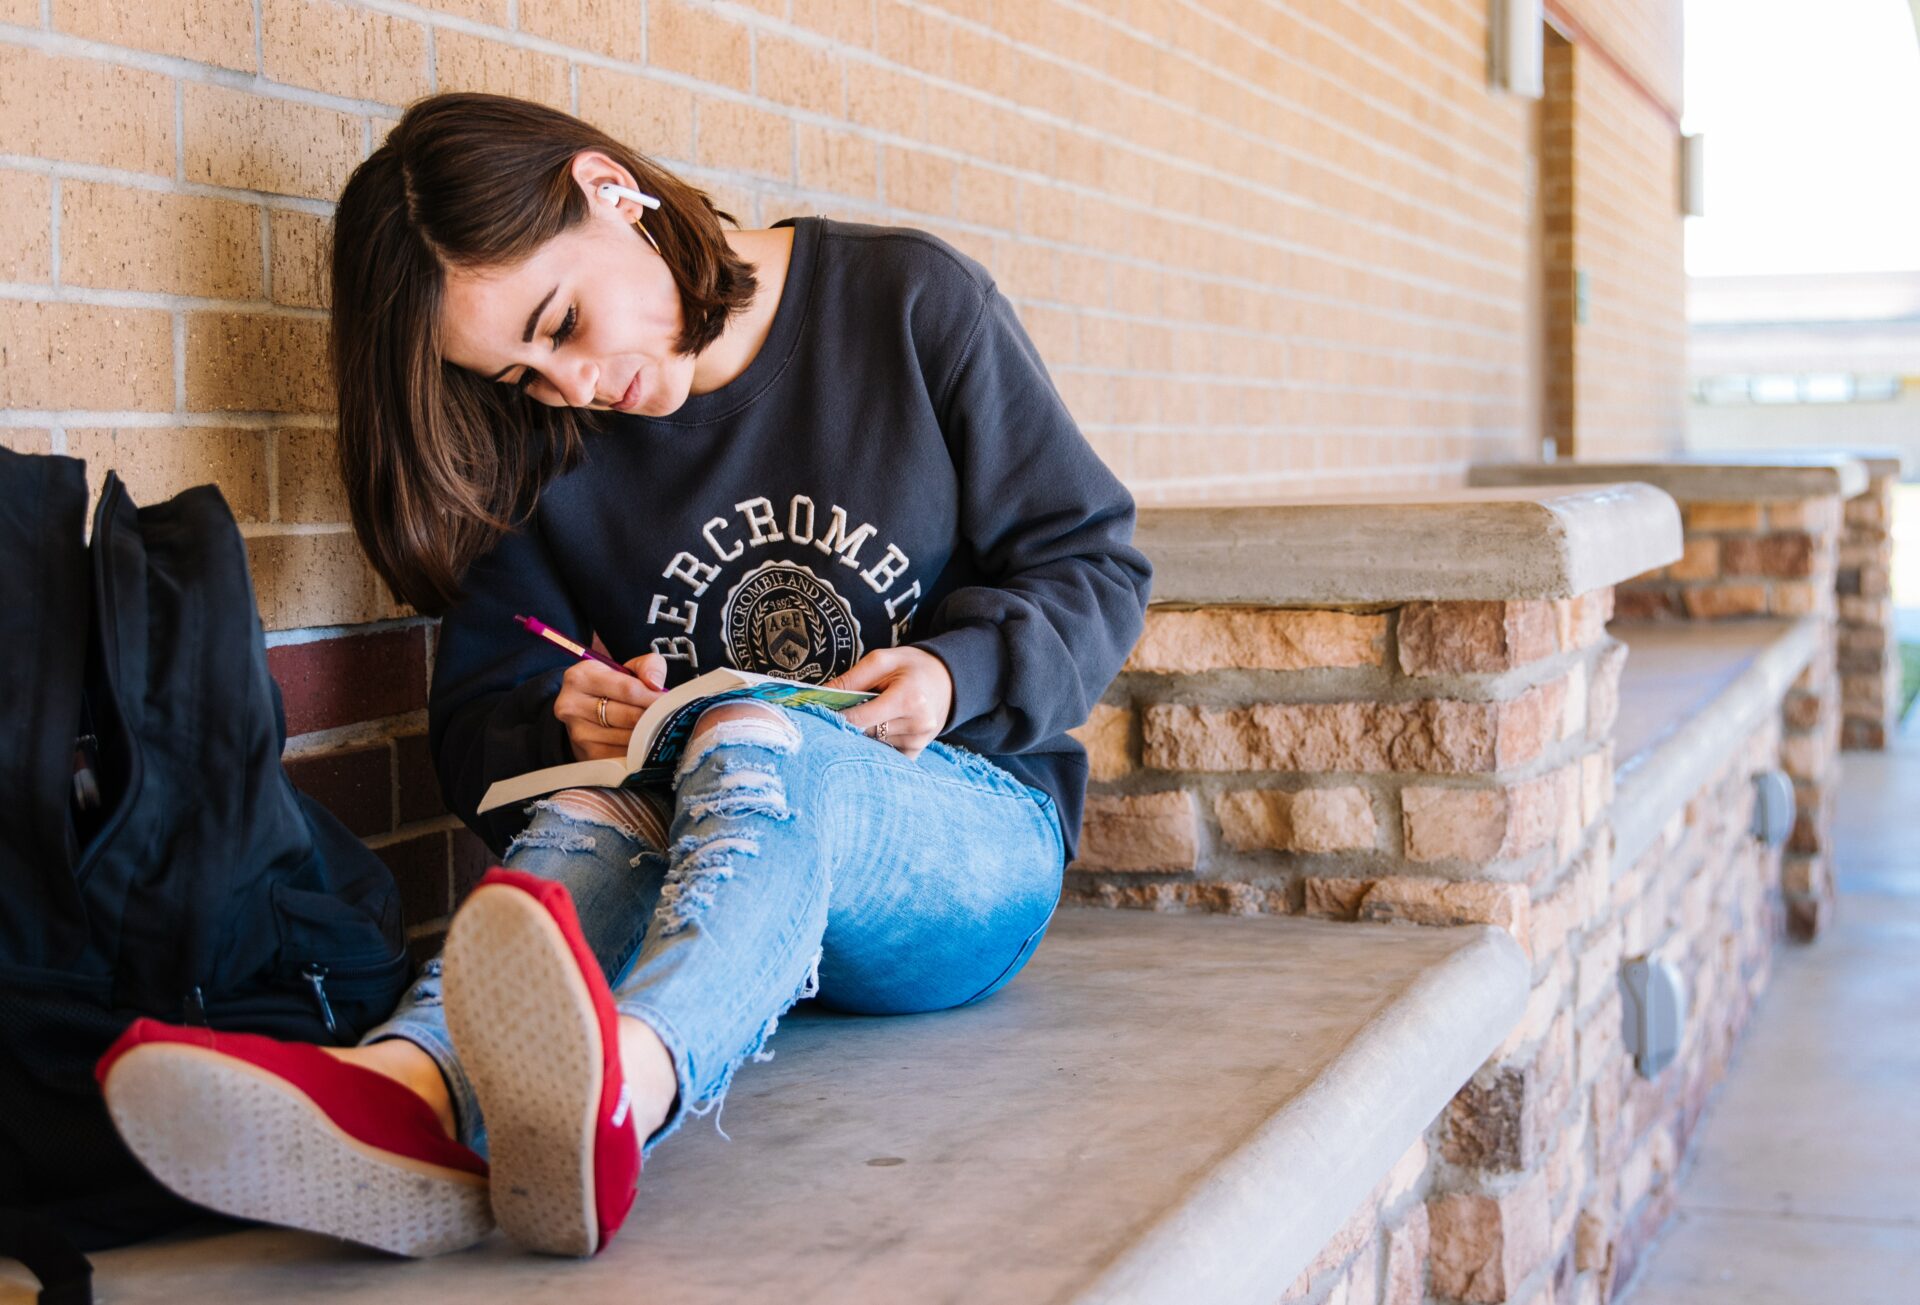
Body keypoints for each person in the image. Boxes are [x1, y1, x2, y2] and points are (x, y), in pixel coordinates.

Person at [95, 91, 1152, 1260]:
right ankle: (411, 1086)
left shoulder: (906, 304)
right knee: (600, 802)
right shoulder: (543, 439)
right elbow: (474, 727)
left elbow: (1093, 563)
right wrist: (562, 722)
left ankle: (628, 1088)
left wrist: (954, 678)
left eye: (558, 322)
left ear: (610, 190)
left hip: (963, 847)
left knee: (756, 732)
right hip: (697, 875)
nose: (567, 386)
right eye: (518, 374)